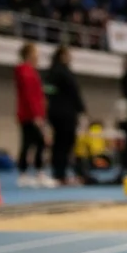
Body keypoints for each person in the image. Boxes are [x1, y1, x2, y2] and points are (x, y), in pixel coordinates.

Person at [14, 42, 55, 188]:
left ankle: (36, 173)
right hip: (29, 115)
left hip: (35, 114)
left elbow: (37, 95)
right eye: (35, 53)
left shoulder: (32, 71)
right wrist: (36, 116)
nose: (37, 56)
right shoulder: (25, 71)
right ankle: (26, 174)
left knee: (38, 143)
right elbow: (29, 96)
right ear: (28, 54)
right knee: (32, 142)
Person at [44, 45, 86, 185]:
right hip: (65, 113)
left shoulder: (52, 71)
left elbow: (48, 90)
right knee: (64, 144)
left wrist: (54, 98)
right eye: (68, 55)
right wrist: (81, 109)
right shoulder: (62, 72)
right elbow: (74, 93)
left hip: (57, 112)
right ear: (62, 56)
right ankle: (60, 174)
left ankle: (60, 173)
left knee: (60, 144)